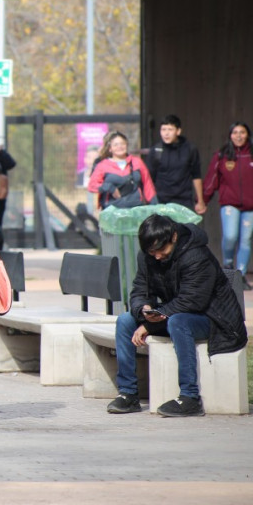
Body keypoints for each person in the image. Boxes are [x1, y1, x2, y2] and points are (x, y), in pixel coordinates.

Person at [107, 214, 247, 416]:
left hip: (216, 320)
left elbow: (193, 301)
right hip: (176, 313)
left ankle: (190, 397)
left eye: (161, 250)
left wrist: (150, 325)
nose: (156, 256)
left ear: (173, 237)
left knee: (178, 322)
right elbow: (139, 290)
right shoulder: (149, 256)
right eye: (151, 251)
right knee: (125, 321)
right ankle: (128, 394)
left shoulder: (196, 255)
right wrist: (143, 309)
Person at [202, 122, 253, 290]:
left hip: (250, 207)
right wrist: (203, 200)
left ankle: (241, 274)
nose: (238, 136)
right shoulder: (222, 155)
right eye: (235, 132)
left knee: (245, 240)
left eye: (242, 132)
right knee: (230, 236)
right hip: (230, 204)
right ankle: (228, 266)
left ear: (247, 135)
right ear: (230, 135)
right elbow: (211, 180)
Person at [147, 114, 205, 214]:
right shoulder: (156, 150)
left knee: (184, 229)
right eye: (163, 129)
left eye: (170, 129)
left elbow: (196, 175)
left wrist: (200, 200)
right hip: (161, 202)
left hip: (184, 201)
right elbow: (149, 179)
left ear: (178, 131)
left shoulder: (189, 149)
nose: (166, 133)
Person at [88, 131, 157, 210]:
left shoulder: (137, 162)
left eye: (122, 144)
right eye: (116, 145)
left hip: (136, 208)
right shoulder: (103, 165)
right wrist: (109, 187)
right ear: (110, 148)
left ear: (126, 145)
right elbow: (92, 185)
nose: (119, 147)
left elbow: (148, 185)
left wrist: (155, 206)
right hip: (112, 211)